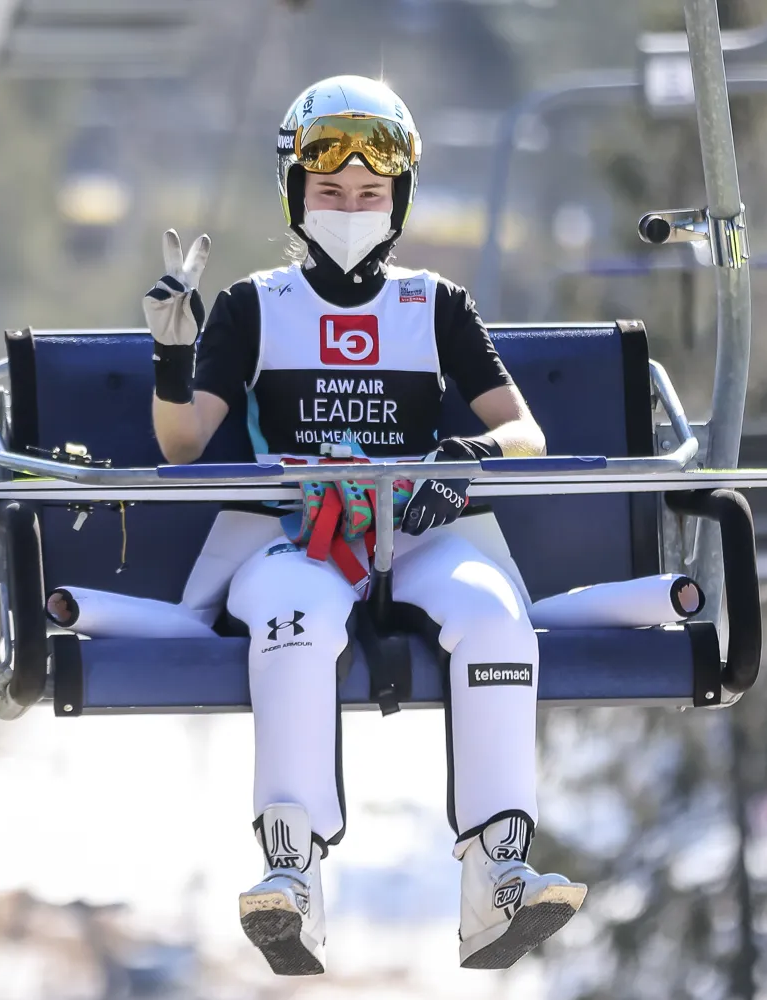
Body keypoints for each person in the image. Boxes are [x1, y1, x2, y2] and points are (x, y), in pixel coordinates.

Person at [143, 74, 586, 976]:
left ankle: (498, 874)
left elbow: (524, 432)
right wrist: (172, 352)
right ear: (295, 195)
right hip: (296, 537)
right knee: (295, 618)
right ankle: (292, 874)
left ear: (399, 199)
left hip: (412, 530)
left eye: (370, 193)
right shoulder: (256, 305)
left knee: (495, 615)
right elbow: (183, 442)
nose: (350, 209)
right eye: (330, 192)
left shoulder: (436, 305)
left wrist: (467, 461)